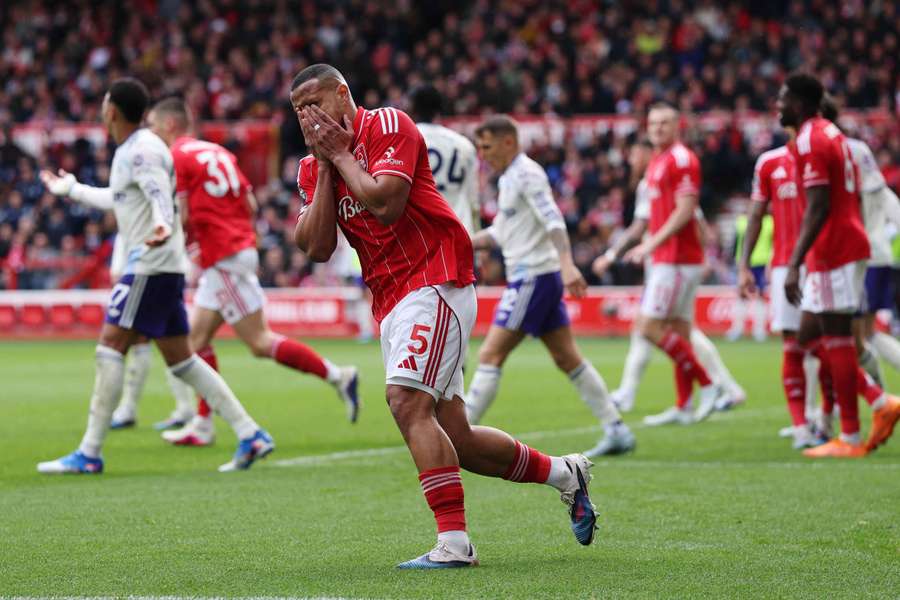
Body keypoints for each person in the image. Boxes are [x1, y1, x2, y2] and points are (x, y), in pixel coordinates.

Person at [291, 64, 598, 569]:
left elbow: (386, 204)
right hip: (391, 299)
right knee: (461, 438)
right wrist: (326, 165)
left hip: (436, 277)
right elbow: (317, 246)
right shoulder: (311, 168)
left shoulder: (388, 125)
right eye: (300, 110)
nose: (310, 116)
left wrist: (341, 154)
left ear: (344, 93)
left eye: (316, 101)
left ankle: (455, 544)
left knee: (406, 403)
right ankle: (567, 474)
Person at [36, 78, 273, 474]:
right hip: (164, 264)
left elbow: (158, 192)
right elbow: (121, 196)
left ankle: (89, 453)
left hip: (150, 263)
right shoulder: (135, 149)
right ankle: (250, 433)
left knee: (110, 347)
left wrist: (163, 223)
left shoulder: (141, 149)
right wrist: (72, 189)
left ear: (112, 111)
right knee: (183, 361)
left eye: (105, 103)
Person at [125, 97, 359, 447]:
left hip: (224, 257)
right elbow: (249, 204)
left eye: (155, 128)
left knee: (254, 343)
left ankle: (335, 377)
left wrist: (171, 237)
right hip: (233, 251)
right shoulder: (219, 152)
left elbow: (183, 216)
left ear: (171, 126)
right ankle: (205, 424)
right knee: (198, 342)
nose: (153, 136)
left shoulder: (178, 157)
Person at [463, 115, 635, 458]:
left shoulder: (526, 174)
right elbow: (501, 232)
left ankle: (456, 438)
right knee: (566, 357)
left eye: (487, 146)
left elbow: (553, 219)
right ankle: (616, 429)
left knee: (490, 353)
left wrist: (569, 265)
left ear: (509, 142)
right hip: (538, 277)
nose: (483, 154)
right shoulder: (510, 178)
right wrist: (463, 241)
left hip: (533, 276)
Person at [777, 73, 900, 457]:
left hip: (835, 248)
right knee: (811, 336)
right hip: (838, 247)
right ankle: (877, 403)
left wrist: (795, 262)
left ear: (798, 103)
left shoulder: (812, 138)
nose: (778, 105)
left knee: (836, 337)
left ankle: (851, 434)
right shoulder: (829, 133)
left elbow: (819, 206)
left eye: (783, 99)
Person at [594, 139, 745, 413]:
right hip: (661, 264)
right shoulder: (647, 184)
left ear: (648, 152)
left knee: (657, 328)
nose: (631, 160)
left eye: (635, 153)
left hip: (673, 264)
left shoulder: (668, 177)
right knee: (669, 330)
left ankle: (715, 385)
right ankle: (707, 393)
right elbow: (641, 227)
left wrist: (703, 257)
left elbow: (692, 217)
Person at [619, 104, 726, 426]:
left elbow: (686, 210)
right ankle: (684, 405)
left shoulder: (680, 159)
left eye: (665, 123)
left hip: (675, 258)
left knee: (649, 327)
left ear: (677, 126)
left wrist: (650, 244)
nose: (658, 128)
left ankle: (709, 384)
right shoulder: (658, 162)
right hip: (672, 258)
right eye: (653, 123)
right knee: (679, 330)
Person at [738, 130, 828, 449]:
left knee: (832, 341)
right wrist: (744, 264)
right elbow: (756, 215)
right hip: (782, 267)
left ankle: (839, 413)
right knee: (794, 341)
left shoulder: (826, 152)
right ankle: (803, 426)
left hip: (824, 262)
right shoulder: (769, 162)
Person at [820, 97, 900, 378]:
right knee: (862, 334)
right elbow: (885, 197)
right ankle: (876, 396)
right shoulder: (859, 152)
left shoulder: (838, 151)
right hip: (871, 253)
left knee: (852, 335)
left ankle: (875, 397)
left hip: (860, 254)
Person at [410, 84, 480, 236]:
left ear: (413, 109)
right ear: (440, 109)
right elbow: (474, 199)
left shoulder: (406, 140)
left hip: (421, 233)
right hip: (459, 230)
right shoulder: (464, 144)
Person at [727, 214, 772, 342]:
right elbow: (736, 243)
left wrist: (770, 262)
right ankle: (737, 328)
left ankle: (759, 330)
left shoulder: (769, 222)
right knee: (741, 295)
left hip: (761, 263)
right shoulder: (740, 221)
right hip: (743, 264)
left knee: (760, 295)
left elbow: (774, 243)